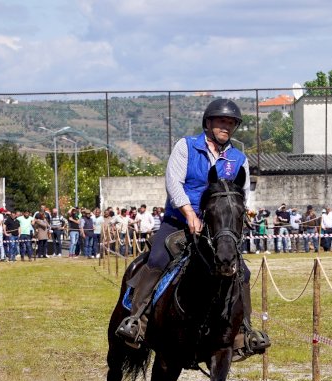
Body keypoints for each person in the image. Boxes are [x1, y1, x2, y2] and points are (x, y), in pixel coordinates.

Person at [114, 98, 268, 362]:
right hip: (178, 222)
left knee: (242, 271)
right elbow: (173, 182)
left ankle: (244, 332)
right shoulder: (186, 147)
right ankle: (137, 320)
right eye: (221, 121)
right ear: (208, 123)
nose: (226, 127)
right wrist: (189, 214)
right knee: (157, 259)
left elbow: (242, 196)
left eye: (231, 123)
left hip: (216, 230)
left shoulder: (238, 159)